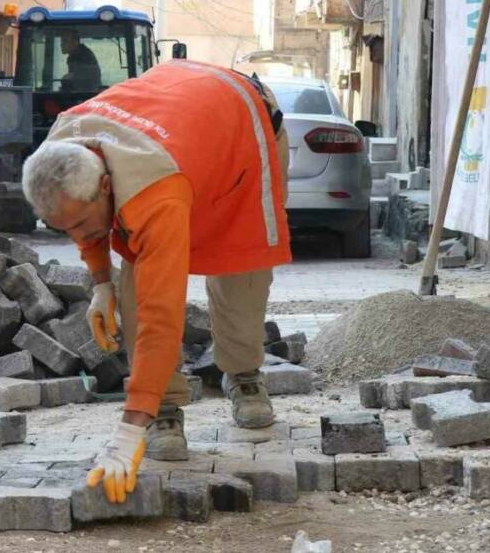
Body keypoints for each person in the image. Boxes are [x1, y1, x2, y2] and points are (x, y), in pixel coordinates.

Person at [21, 59, 290, 504]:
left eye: (84, 225)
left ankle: (243, 375)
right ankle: (164, 406)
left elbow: (161, 316)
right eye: (62, 229)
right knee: (133, 286)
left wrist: (128, 431)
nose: (79, 237)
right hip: (180, 123)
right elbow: (81, 222)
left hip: (244, 127)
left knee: (238, 265)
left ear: (107, 187)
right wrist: (102, 283)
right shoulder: (61, 147)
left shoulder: (153, 193)